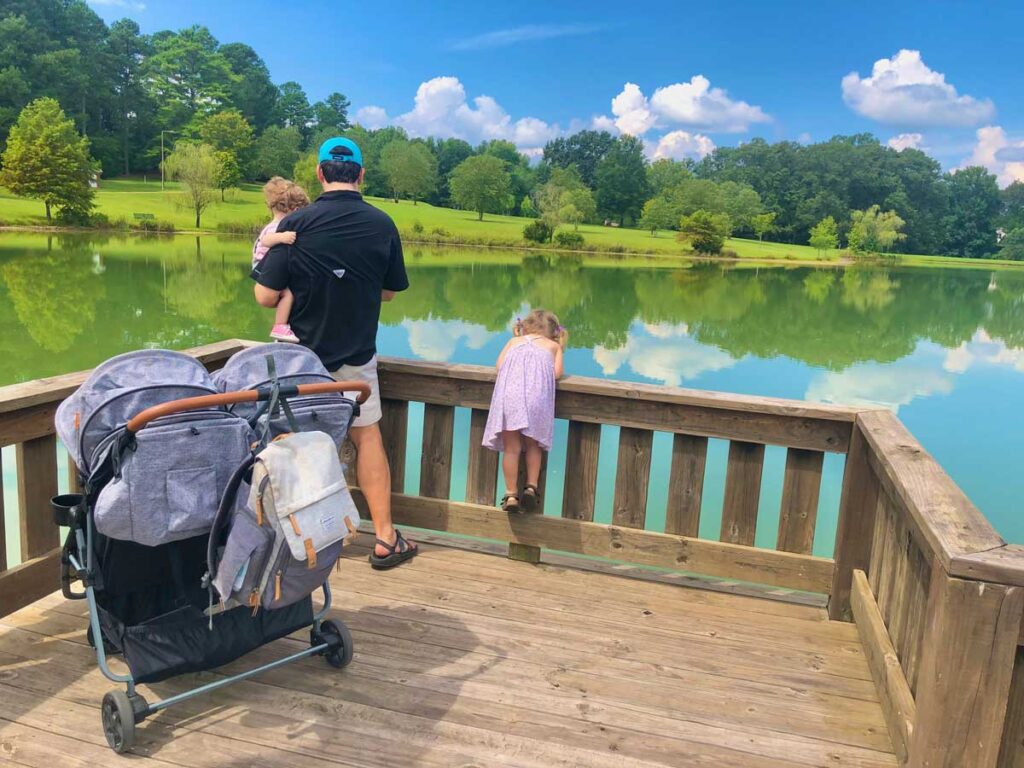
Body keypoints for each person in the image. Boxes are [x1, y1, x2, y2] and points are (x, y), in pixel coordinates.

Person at [252, 137, 418, 569]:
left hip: (302, 360)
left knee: (297, 443)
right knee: (367, 439)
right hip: (357, 360)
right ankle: (384, 537)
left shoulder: (296, 224)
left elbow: (266, 296)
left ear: (321, 174)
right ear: (361, 175)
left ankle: (305, 541)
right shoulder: (382, 224)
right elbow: (388, 292)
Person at [482, 309, 567, 513]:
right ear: (554, 332)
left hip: (510, 399)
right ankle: (531, 487)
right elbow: (556, 374)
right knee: (533, 446)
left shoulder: (514, 342)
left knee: (511, 448)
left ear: (524, 327)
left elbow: (499, 364)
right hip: (536, 401)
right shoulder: (554, 346)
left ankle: (511, 494)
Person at [252, 177, 310, 343]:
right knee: (288, 295)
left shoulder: (278, 224)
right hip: (262, 267)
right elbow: (265, 240)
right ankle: (280, 326)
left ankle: (281, 325)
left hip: (264, 267)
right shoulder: (278, 227)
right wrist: (283, 237)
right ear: (293, 209)